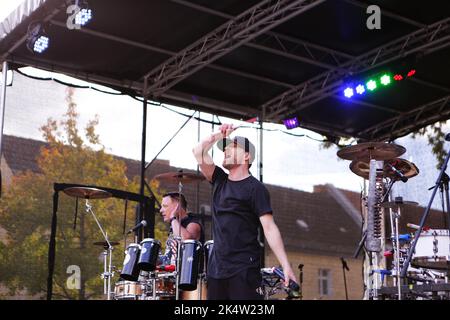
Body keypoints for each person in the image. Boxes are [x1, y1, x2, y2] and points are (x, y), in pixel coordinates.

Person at [192, 123, 297, 300]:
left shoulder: (255, 189)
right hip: (217, 269)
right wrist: (219, 135)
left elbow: (269, 228)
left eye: (232, 148)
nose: (226, 151)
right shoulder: (219, 180)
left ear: (247, 155)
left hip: (244, 268)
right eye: (225, 149)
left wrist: (285, 265)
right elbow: (197, 151)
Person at [158, 192, 204, 266]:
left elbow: (186, 242)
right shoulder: (174, 226)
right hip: (172, 275)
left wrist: (173, 218)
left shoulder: (193, 224)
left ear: (177, 207)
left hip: (187, 275)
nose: (161, 210)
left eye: (165, 206)